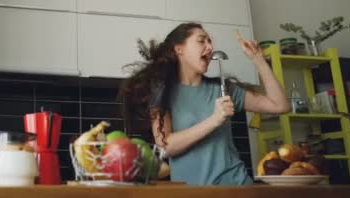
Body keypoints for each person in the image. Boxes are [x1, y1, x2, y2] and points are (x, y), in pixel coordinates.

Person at [119, 22, 290, 185]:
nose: (210, 47)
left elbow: (280, 105)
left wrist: (258, 59)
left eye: (210, 42)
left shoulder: (224, 88)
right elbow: (166, 146)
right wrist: (215, 119)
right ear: (179, 49)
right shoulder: (162, 93)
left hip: (236, 187)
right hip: (191, 192)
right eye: (201, 41)